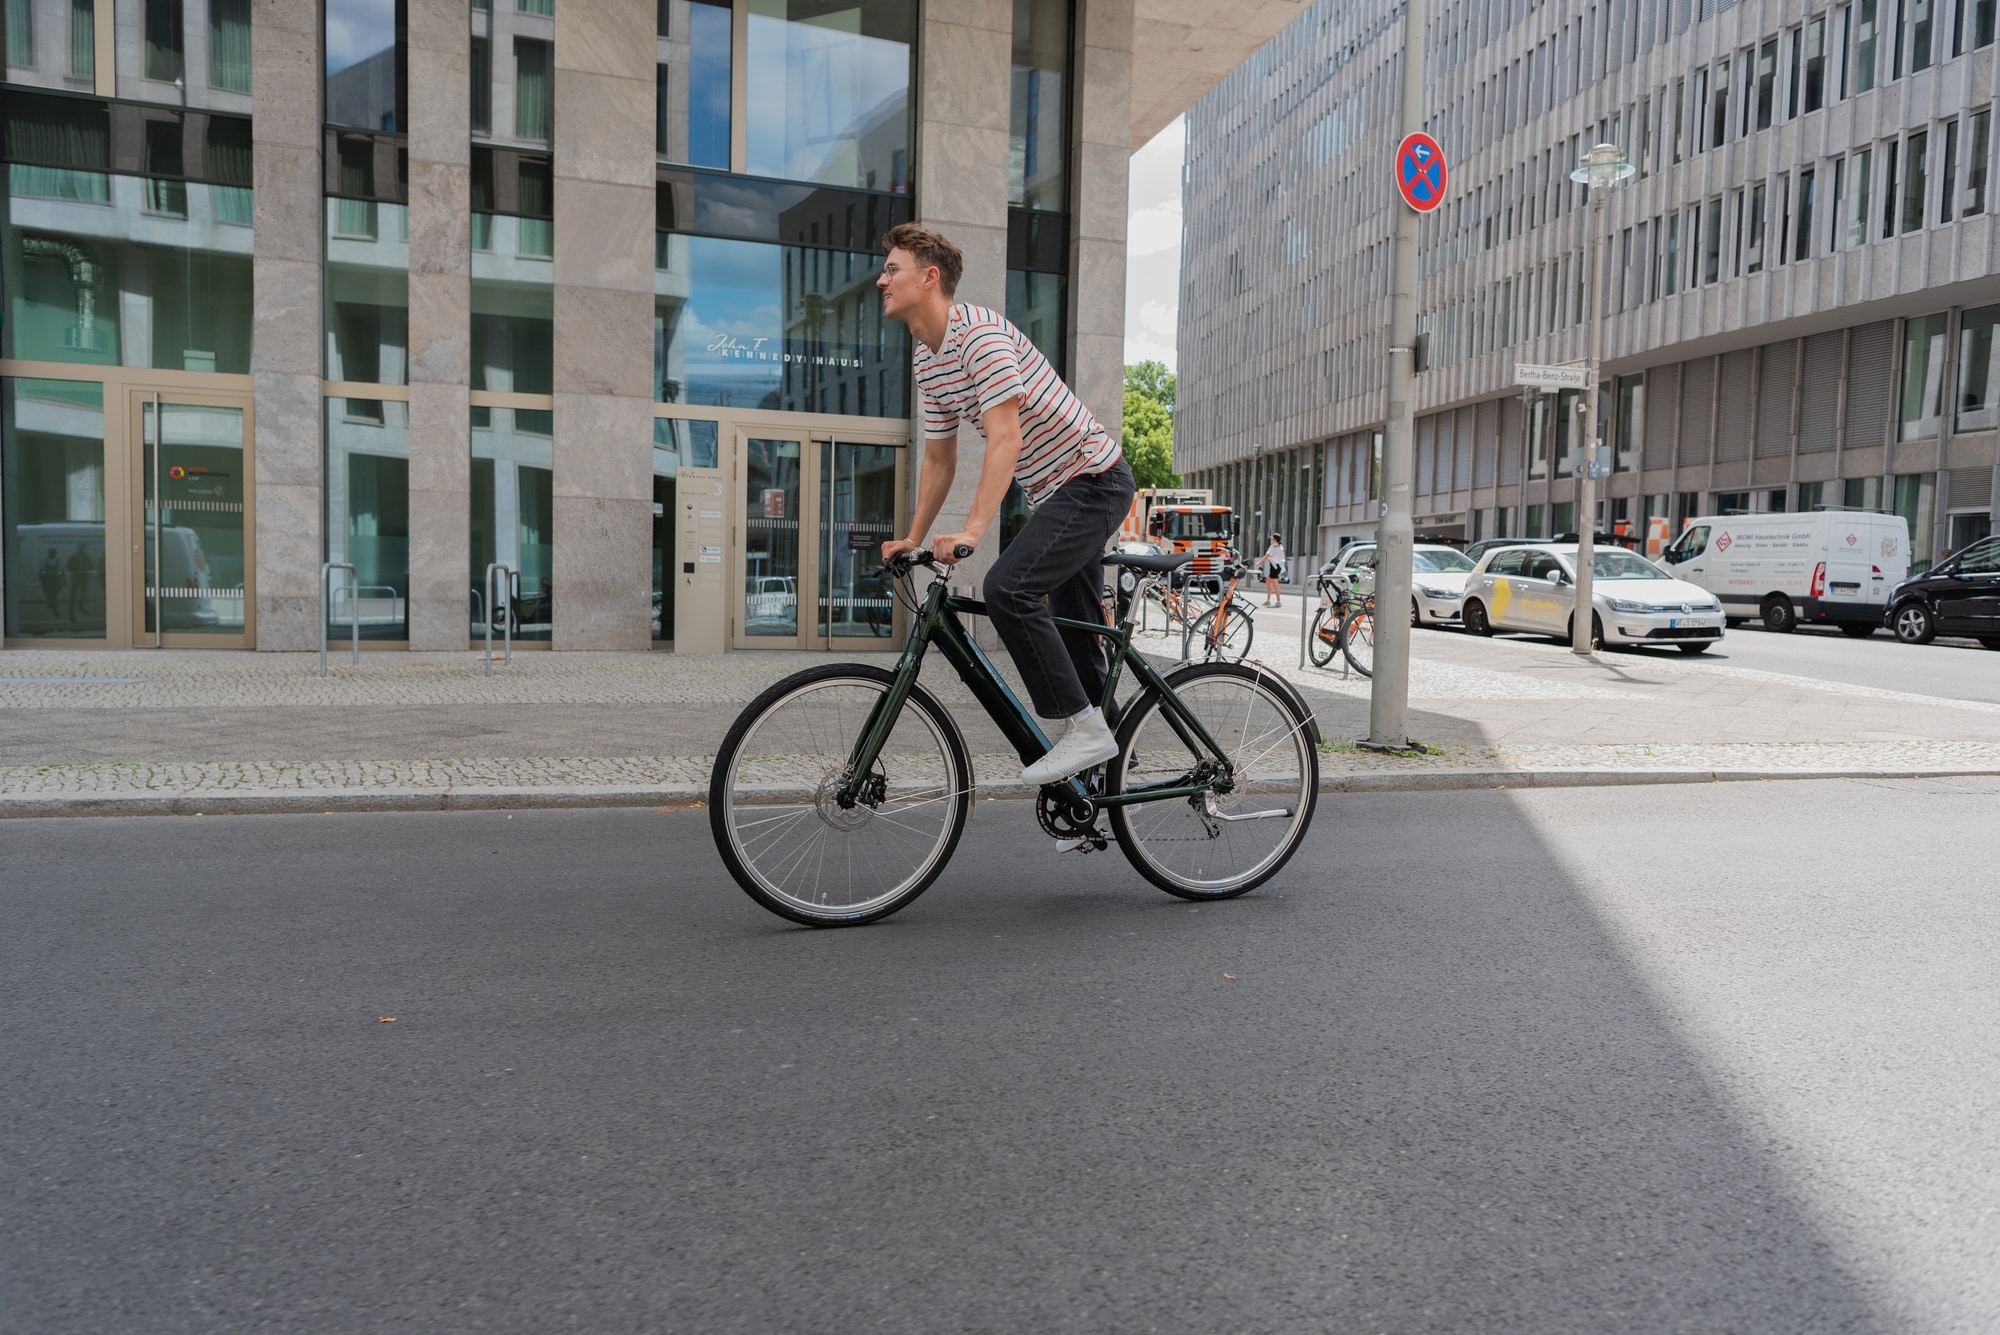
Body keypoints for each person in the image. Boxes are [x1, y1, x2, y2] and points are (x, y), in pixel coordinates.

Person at [876, 223, 1135, 789]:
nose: (882, 280)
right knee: (1076, 637)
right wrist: (915, 536)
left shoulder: (981, 335)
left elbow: (1006, 437)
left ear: (929, 276)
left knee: (1007, 589)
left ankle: (1085, 731)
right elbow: (940, 460)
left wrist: (971, 530)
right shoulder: (928, 360)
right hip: (1058, 495)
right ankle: (1111, 784)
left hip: (1094, 480)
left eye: (892, 269)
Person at [1260, 533, 1286, 606]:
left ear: (1274, 540)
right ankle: (1268, 600)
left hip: (1275, 567)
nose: (1271, 540)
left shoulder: (1273, 546)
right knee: (1268, 582)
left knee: (1275, 584)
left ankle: (1278, 601)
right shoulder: (1279, 546)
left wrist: (1259, 562)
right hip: (1276, 567)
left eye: (1272, 539)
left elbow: (1267, 555)